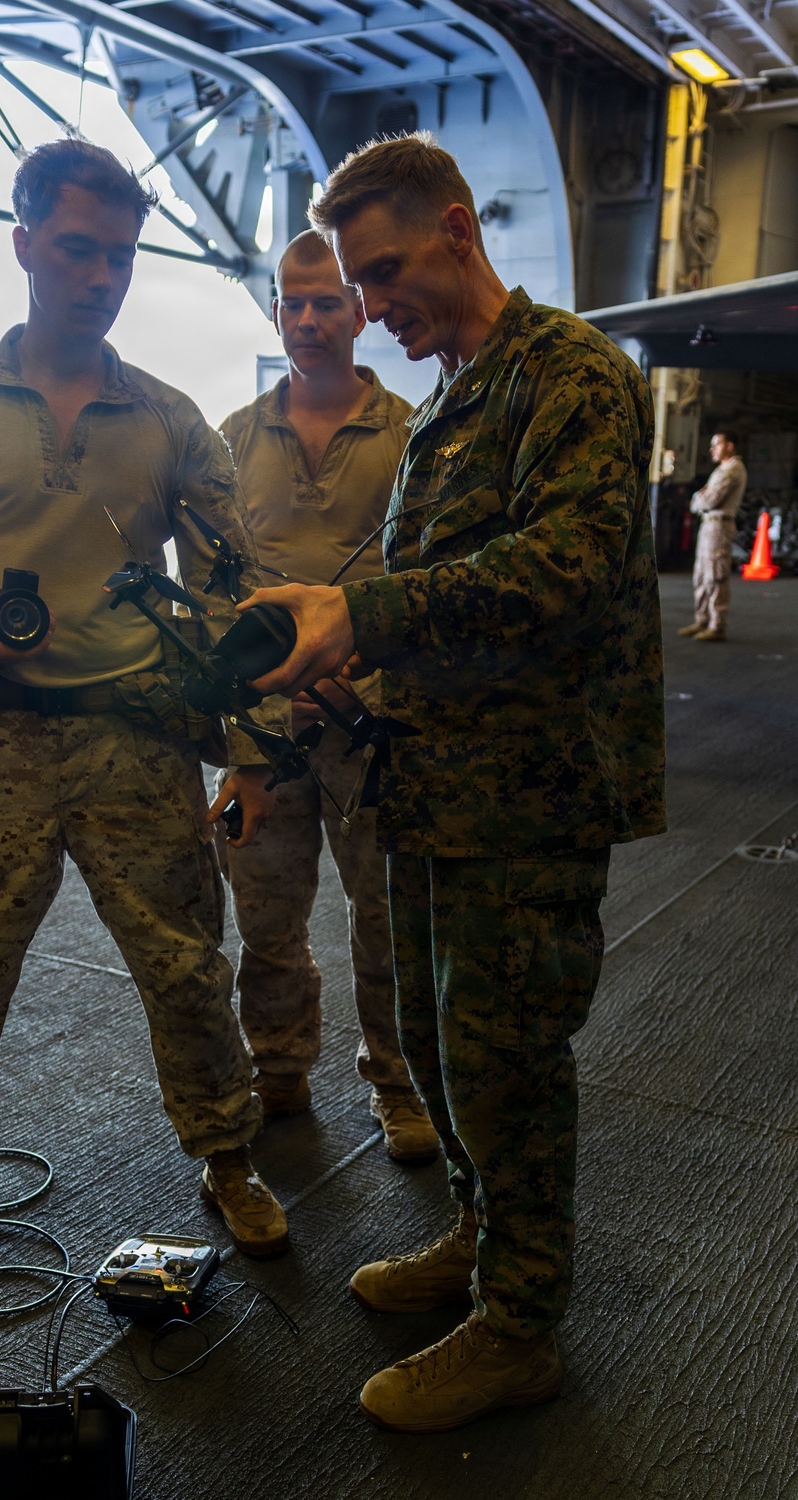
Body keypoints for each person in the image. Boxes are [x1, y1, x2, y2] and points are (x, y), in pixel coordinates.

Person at [239, 132, 666, 1432]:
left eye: (380, 273)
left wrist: (362, 618)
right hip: (433, 789)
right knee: (434, 1043)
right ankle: (483, 1246)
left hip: (525, 804)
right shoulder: (456, 400)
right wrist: (348, 669)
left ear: (458, 228)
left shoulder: (570, 374)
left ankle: (521, 1327)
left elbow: (573, 569)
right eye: (354, 287)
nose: (369, 309)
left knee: (505, 1061)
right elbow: (445, 612)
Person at [0, 139, 292, 1317]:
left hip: (137, 740)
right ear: (26, 243)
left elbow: (237, 595)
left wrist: (248, 745)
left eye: (121, 257)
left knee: (189, 971)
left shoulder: (175, 421)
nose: (101, 277)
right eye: (79, 250)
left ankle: (229, 1159)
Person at [218, 231, 438, 1162]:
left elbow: (433, 582)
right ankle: (279, 1070)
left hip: (373, 730)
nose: (308, 320)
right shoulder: (230, 440)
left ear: (358, 311)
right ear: (276, 311)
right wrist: (238, 736)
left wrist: (374, 671)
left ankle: (399, 1083)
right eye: (292, 303)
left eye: (327, 302)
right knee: (267, 922)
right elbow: (214, 594)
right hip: (267, 733)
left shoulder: (414, 436)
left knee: (388, 922)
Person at [679, 430, 747, 642]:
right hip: (709, 525)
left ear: (729, 446)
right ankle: (702, 620)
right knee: (701, 575)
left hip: (719, 526)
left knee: (716, 576)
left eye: (716, 444)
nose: (712, 449)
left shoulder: (733, 469)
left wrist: (699, 499)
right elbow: (702, 498)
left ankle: (717, 626)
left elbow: (709, 499)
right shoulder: (721, 470)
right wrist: (700, 498)